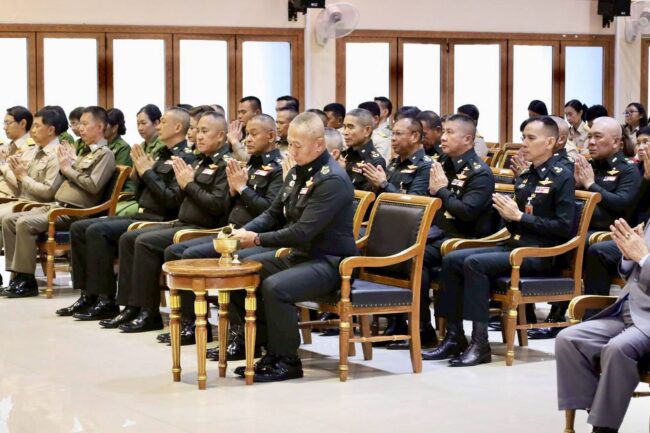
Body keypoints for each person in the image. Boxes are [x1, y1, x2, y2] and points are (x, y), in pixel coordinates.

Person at [226, 112, 357, 382]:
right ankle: (268, 350)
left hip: (331, 263)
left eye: (297, 145)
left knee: (276, 287)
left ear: (319, 144)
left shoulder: (331, 179)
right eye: (290, 144)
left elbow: (302, 231)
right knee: (240, 273)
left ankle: (288, 360)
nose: (291, 151)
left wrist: (257, 239)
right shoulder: (299, 171)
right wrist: (244, 232)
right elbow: (273, 213)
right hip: (302, 256)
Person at [435, 116, 575, 366]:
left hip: (541, 253)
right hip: (515, 245)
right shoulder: (526, 176)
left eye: (531, 138)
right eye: (523, 137)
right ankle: (454, 336)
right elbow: (514, 223)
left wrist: (519, 217)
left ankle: (480, 343)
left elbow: (564, 228)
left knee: (475, 263)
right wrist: (507, 215)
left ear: (550, 142)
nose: (524, 143)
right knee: (453, 258)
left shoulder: (562, 177)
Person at [54, 107, 195, 319]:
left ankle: (107, 300)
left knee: (98, 231)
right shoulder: (161, 154)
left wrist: (147, 172)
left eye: (163, 122)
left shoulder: (184, 159)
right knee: (79, 227)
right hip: (143, 212)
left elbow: (170, 200)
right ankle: (88, 295)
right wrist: (140, 173)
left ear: (177, 127)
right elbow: (141, 194)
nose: (158, 126)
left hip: (162, 219)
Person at [160, 114, 283, 350]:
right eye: (246, 134)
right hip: (230, 232)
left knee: (198, 256)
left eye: (253, 134)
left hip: (253, 238)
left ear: (271, 136)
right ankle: (191, 323)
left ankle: (238, 334)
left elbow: (270, 211)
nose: (247, 139)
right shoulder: (249, 164)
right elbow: (225, 208)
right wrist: (235, 193)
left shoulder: (277, 169)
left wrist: (242, 189)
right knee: (176, 252)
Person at [112, 112, 233, 333]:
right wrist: (145, 173)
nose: (198, 136)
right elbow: (176, 199)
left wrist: (189, 185)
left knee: (147, 243)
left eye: (204, 131)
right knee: (129, 238)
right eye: (197, 130)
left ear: (221, 135)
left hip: (205, 228)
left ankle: (171, 317)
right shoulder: (199, 161)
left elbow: (217, 206)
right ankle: (133, 307)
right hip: (182, 222)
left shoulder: (226, 164)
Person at [393, 114, 496, 354]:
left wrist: (441, 190)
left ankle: (453, 335)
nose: (443, 137)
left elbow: (466, 213)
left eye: (450, 133)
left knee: (424, 257)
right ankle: (423, 328)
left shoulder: (480, 173)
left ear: (468, 139)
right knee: (411, 261)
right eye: (444, 132)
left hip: (467, 240)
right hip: (441, 237)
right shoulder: (441, 164)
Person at [1, 106, 116, 298]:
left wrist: (68, 168)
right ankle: (18, 277)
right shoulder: (85, 152)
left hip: (75, 212)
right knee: (9, 220)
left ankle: (27, 281)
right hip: (59, 207)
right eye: (80, 124)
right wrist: (73, 162)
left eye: (85, 124)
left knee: (23, 222)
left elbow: (93, 186)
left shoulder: (105, 154)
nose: (80, 128)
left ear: (100, 127)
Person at [556, 217, 650, 433]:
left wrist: (643, 257)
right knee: (568, 339)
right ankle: (597, 408)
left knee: (617, 348)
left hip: (647, 318)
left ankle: (604, 428)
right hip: (627, 309)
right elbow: (633, 274)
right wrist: (629, 256)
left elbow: (644, 260)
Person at [580, 126, 650, 302]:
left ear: (617, 142)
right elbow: (636, 208)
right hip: (635, 231)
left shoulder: (629, 170)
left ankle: (592, 311)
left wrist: (591, 185)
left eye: (646, 142)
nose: (641, 147)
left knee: (596, 248)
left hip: (631, 233)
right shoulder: (639, 170)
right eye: (638, 142)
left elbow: (624, 206)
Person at [0, 108, 62, 294]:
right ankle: (17, 276)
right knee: (8, 219)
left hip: (42, 206)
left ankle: (23, 278)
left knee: (11, 219)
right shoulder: (35, 151)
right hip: (26, 201)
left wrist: (21, 176)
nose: (32, 131)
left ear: (50, 130)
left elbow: (48, 193)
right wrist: (18, 174)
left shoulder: (57, 154)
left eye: (36, 126)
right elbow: (22, 183)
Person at [340, 108, 386, 191]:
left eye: (350, 127)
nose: (345, 132)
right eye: (344, 127)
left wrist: (341, 172)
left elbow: (367, 196)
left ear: (367, 131)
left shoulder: (375, 161)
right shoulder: (343, 155)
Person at [0, 106, 35, 198]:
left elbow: (20, 182)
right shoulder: (9, 146)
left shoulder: (30, 148)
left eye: (8, 123)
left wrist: (2, 163)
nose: (4, 128)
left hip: (9, 197)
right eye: (4, 123)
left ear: (23, 123)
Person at [227, 96, 262, 162]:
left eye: (243, 112)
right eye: (239, 112)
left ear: (257, 113)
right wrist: (229, 144)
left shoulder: (263, 133)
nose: (239, 116)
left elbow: (248, 161)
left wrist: (234, 141)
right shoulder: (240, 131)